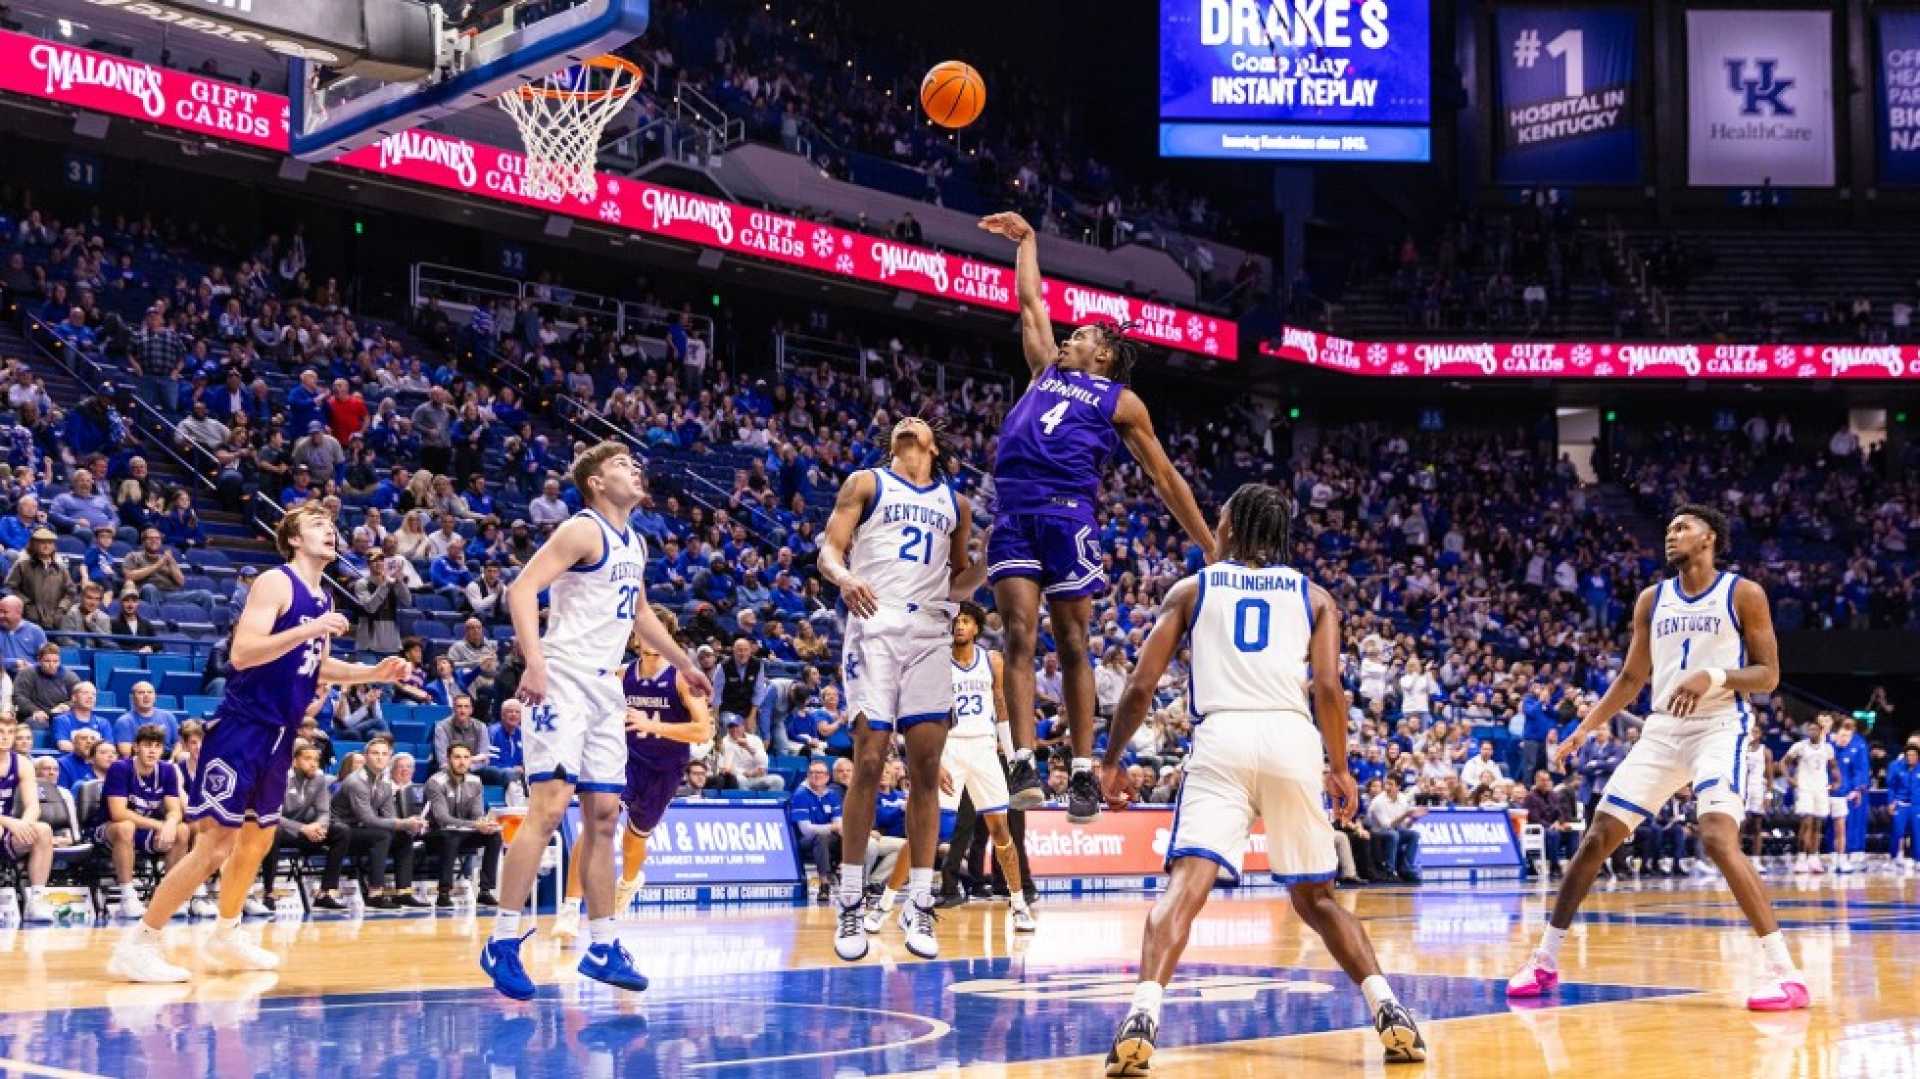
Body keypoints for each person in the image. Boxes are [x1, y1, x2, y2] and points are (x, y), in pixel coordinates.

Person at [1096, 484, 1425, 1072]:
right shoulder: (1316, 596)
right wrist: (1342, 767)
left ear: (1230, 529)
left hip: (1223, 736)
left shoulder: (1192, 588)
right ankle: (1389, 1008)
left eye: (1219, 517)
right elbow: (1328, 689)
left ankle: (1144, 1011)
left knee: (1185, 889)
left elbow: (1142, 684)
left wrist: (1111, 757)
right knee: (1318, 900)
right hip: (1292, 740)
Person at [1508, 505, 1809, 1012]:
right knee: (1597, 838)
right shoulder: (1652, 599)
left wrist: (1713, 676)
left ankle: (1787, 975)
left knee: (1716, 836)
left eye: (1683, 527)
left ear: (1710, 537)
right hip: (1662, 730)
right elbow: (1631, 678)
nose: (1672, 534)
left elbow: (1769, 675)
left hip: (1719, 726)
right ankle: (1545, 961)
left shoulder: (1743, 593)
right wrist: (1585, 729)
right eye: (1668, 527)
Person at [106, 502, 412, 983]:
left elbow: (318, 666)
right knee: (214, 843)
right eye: (317, 525)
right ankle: (140, 941)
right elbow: (244, 653)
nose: (330, 531)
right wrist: (310, 628)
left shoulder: (324, 599)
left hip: (280, 734)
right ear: (293, 538)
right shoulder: (276, 582)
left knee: (258, 840)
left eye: (332, 525)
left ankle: (226, 933)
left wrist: (373, 672)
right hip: (242, 728)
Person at [977, 211, 1215, 823]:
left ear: (1104, 352)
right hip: (1014, 512)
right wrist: (1028, 241)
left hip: (1069, 516)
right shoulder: (1043, 372)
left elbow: (1164, 477)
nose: (1067, 337)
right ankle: (1025, 762)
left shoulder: (1121, 401)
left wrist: (1210, 545)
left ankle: (1083, 772)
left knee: (1075, 641)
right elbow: (1031, 304)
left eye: (1080, 333)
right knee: (1019, 637)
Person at [480, 441, 708, 1002]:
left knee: (605, 815)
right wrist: (533, 661)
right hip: (565, 673)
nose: (635, 468)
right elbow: (522, 588)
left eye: (636, 462)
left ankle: (603, 943)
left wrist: (685, 662)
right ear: (597, 483)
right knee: (551, 804)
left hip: (607, 685)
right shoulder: (582, 530)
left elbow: (640, 612)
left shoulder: (637, 542)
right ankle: (503, 941)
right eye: (622, 465)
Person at [815, 417, 982, 962]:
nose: (909, 421)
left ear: (934, 443)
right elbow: (828, 551)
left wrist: (986, 567)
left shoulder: (955, 504)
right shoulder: (865, 482)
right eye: (901, 423)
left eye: (921, 423)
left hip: (931, 631)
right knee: (868, 759)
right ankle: (849, 899)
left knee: (927, 769)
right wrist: (844, 578)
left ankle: (919, 902)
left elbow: (959, 579)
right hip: (876, 624)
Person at [868, 602, 1033, 934]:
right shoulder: (936, 663)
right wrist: (935, 758)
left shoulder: (992, 661)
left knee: (1002, 831)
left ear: (977, 628)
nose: (959, 626)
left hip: (985, 749)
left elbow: (1001, 705)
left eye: (967, 621)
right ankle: (885, 905)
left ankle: (1019, 905)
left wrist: (1013, 755)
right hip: (949, 748)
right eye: (956, 621)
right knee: (925, 833)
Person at [555, 611, 713, 937]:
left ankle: (629, 880)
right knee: (595, 825)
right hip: (623, 760)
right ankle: (569, 909)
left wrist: (651, 724)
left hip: (664, 769)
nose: (650, 640)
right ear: (635, 637)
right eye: (645, 634)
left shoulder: (681, 678)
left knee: (633, 840)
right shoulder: (621, 674)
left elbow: (703, 731)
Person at [96, 724, 187, 919]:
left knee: (183, 830)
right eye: (147, 745)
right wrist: (160, 825)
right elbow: (118, 813)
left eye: (157, 746)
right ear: (136, 747)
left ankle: (168, 895)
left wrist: (170, 825)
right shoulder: (120, 768)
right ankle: (128, 896)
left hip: (145, 830)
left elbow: (175, 810)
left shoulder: (167, 770)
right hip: (108, 829)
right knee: (126, 827)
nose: (152, 750)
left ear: (162, 750)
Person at [262, 742, 354, 911]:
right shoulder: (278, 778)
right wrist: (303, 828)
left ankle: (325, 893)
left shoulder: (319, 779)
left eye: (316, 760)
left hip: (305, 832)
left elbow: (324, 811)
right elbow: (272, 815)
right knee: (273, 831)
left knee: (341, 831)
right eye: (308, 759)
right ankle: (268, 892)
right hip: (279, 831)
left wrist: (318, 826)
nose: (313, 763)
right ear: (294, 761)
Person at [424, 744, 503, 907]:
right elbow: (442, 819)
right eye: (457, 757)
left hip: (462, 833)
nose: (462, 762)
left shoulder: (475, 781)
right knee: (451, 837)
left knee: (494, 836)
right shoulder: (435, 782)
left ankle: (485, 891)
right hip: (436, 834)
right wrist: (475, 824)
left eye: (466, 757)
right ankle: (444, 893)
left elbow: (476, 814)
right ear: (448, 759)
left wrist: (483, 824)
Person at [0, 711, 56, 923]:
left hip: (7, 827)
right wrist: (9, 822)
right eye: (0, 732)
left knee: (42, 830)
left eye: (10, 732)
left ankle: (36, 899)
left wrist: (23, 824)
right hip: (4, 824)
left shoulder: (22, 763)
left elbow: (33, 806)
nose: (5, 737)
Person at [1781, 718, 1841, 875]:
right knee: (1806, 823)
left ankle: (1813, 858)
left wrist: (1837, 780)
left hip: (1820, 789)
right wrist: (1789, 778)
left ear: (1821, 731)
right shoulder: (1800, 746)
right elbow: (1783, 763)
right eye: (1809, 729)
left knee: (1817, 825)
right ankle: (1801, 858)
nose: (1811, 732)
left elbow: (1833, 767)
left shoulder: (1827, 748)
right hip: (1804, 789)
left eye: (1815, 729)